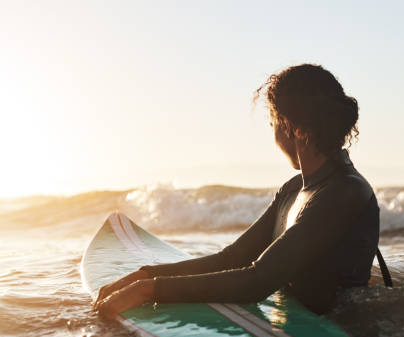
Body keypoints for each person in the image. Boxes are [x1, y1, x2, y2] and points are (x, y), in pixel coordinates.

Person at [94, 63, 381, 318]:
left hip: (345, 330)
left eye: (272, 124)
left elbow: (257, 281)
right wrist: (145, 276)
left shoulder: (344, 192)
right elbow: (232, 258)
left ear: (292, 128)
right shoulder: (295, 189)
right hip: (301, 318)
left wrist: (148, 291)